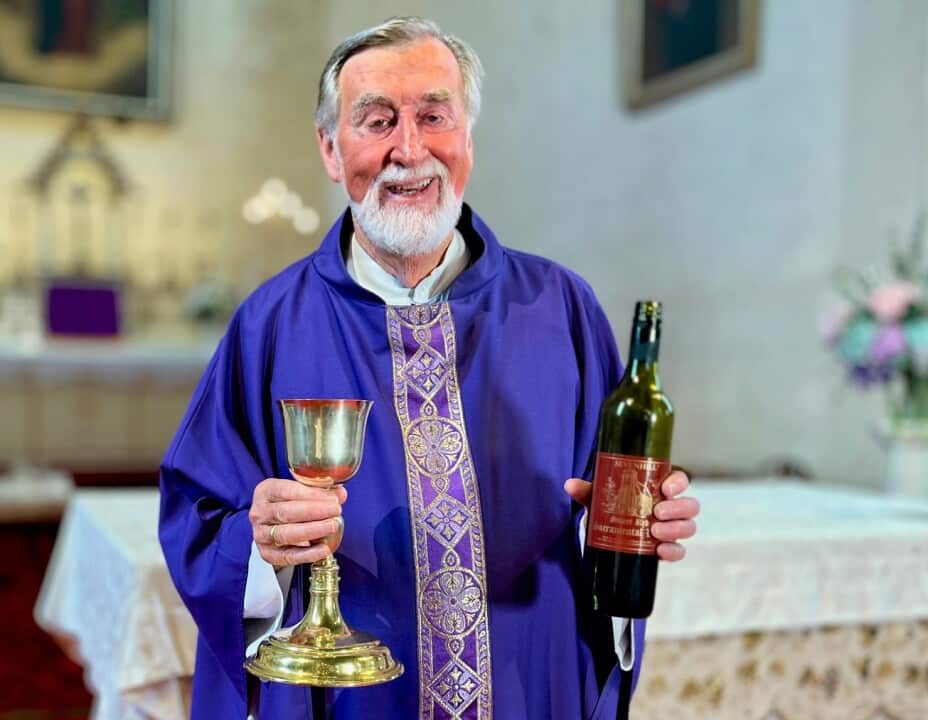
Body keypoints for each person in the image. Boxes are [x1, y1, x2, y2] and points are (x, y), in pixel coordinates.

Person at [158, 16, 700, 720]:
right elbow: (199, 528)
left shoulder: (561, 309)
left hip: (528, 687)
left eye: (434, 117)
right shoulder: (270, 324)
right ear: (330, 148)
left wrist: (634, 528)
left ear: (468, 139)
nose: (408, 150)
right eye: (376, 121)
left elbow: (609, 517)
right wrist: (260, 547)